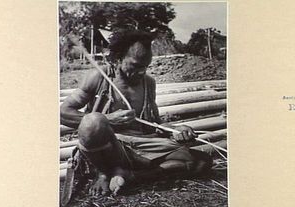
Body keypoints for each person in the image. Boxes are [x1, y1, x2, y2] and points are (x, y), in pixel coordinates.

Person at [60, 29, 212, 196]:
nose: (142, 72)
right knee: (93, 121)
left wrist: (177, 130)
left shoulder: (148, 83)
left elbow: (155, 124)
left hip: (142, 146)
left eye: (146, 66)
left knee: (201, 162)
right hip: (110, 147)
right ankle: (103, 173)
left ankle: (131, 176)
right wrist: (108, 120)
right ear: (118, 58)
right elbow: (64, 113)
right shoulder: (99, 77)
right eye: (136, 66)